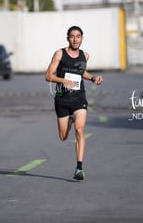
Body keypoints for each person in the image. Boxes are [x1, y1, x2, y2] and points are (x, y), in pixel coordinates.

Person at [45, 26, 103, 180]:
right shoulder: (59, 54)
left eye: (78, 36)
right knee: (63, 136)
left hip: (79, 98)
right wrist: (63, 80)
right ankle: (69, 120)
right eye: (72, 36)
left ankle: (79, 167)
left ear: (82, 38)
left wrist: (92, 78)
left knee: (80, 129)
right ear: (68, 38)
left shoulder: (85, 55)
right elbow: (48, 76)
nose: (75, 39)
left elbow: (80, 71)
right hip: (62, 98)